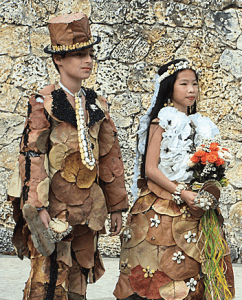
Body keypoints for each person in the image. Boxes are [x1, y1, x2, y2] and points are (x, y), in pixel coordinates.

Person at [7, 12, 129, 300]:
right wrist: (38, 208)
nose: (87, 60)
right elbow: (32, 155)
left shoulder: (98, 104)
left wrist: (116, 207)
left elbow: (110, 157)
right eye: (78, 55)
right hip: (54, 210)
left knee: (77, 282)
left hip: (87, 211)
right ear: (59, 59)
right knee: (47, 281)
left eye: (90, 53)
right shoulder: (43, 102)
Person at [113, 59, 235, 300]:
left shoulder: (203, 126)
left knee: (193, 275)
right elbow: (150, 169)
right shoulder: (161, 123)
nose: (191, 90)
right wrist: (181, 192)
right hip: (161, 206)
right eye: (184, 84)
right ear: (170, 88)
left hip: (197, 209)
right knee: (159, 271)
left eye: (195, 84)